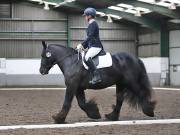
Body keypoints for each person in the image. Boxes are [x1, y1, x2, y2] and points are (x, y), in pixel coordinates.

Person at [77, 7, 104, 85]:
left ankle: (97, 76)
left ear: (89, 16)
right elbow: (89, 39)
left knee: (86, 57)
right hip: (92, 46)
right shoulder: (91, 24)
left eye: (85, 16)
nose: (85, 17)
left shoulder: (93, 24)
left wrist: (82, 44)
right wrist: (81, 47)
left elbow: (90, 37)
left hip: (96, 46)